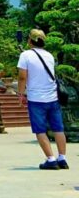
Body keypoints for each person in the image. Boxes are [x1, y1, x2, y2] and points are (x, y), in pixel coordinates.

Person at [17, 28, 69, 170]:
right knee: (58, 128)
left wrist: (20, 94)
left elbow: (22, 77)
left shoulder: (25, 55)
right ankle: (62, 158)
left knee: (40, 130)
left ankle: (51, 159)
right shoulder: (49, 56)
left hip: (36, 98)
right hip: (52, 97)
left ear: (30, 40)